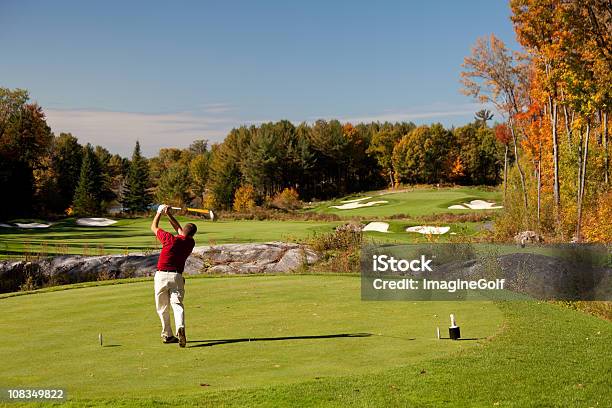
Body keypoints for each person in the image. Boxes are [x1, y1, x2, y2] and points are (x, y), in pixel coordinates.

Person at [150, 204, 197, 347]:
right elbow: (179, 229)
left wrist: (159, 212)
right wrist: (168, 214)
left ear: (183, 231)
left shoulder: (169, 239)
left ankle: (167, 335)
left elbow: (153, 227)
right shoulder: (190, 242)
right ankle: (180, 327)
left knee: (162, 308)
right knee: (177, 305)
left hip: (161, 276)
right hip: (176, 276)